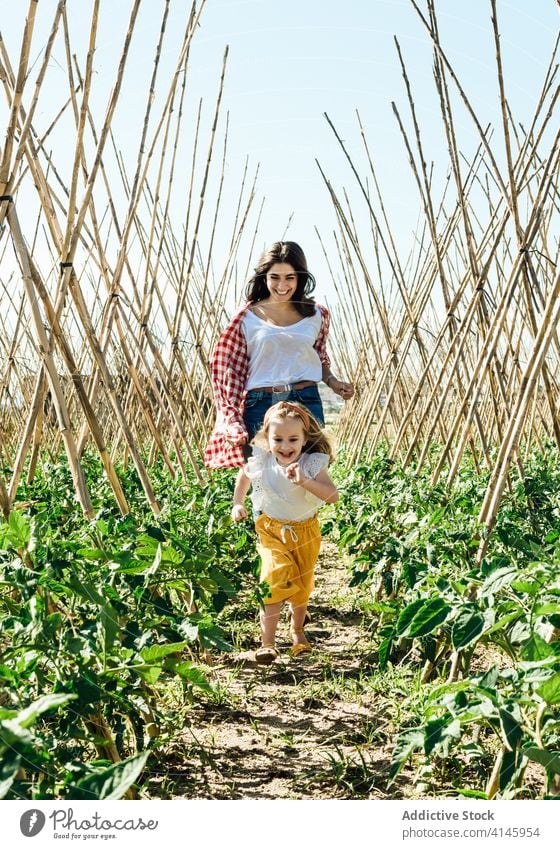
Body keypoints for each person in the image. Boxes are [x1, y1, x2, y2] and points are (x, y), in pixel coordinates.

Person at [204, 240, 354, 469]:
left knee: (310, 478)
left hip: (306, 402)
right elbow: (227, 368)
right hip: (260, 405)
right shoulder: (247, 316)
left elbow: (319, 357)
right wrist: (231, 416)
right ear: (264, 277)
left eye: (289, 277)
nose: (282, 285)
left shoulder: (317, 314)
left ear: (300, 278)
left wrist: (333, 383)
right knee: (265, 484)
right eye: (275, 277)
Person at [231, 401, 339, 665]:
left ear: (304, 440)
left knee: (302, 585)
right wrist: (238, 502)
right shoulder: (262, 460)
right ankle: (267, 643)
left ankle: (297, 632)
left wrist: (304, 481)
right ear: (267, 439)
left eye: (293, 439)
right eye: (278, 438)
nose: (285, 446)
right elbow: (243, 476)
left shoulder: (311, 463)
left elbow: (332, 496)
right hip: (271, 530)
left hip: (306, 532)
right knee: (273, 577)